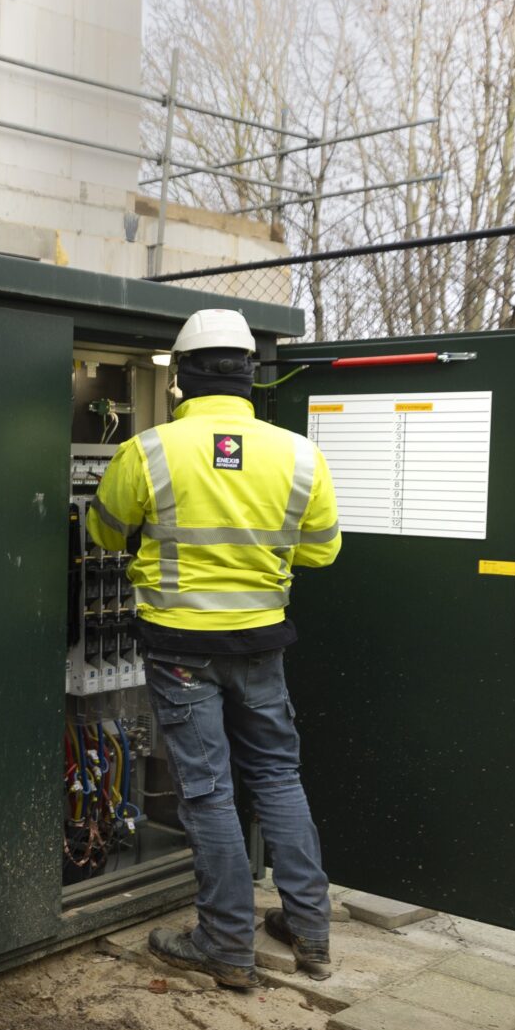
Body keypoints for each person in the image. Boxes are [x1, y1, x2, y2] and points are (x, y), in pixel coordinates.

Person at [83, 308, 342, 991]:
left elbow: (103, 532)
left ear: (184, 377)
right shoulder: (299, 455)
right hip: (260, 643)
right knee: (278, 777)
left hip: (180, 648)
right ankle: (310, 933)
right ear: (250, 376)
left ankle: (226, 944)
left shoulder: (150, 451)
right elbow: (322, 551)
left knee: (206, 789)